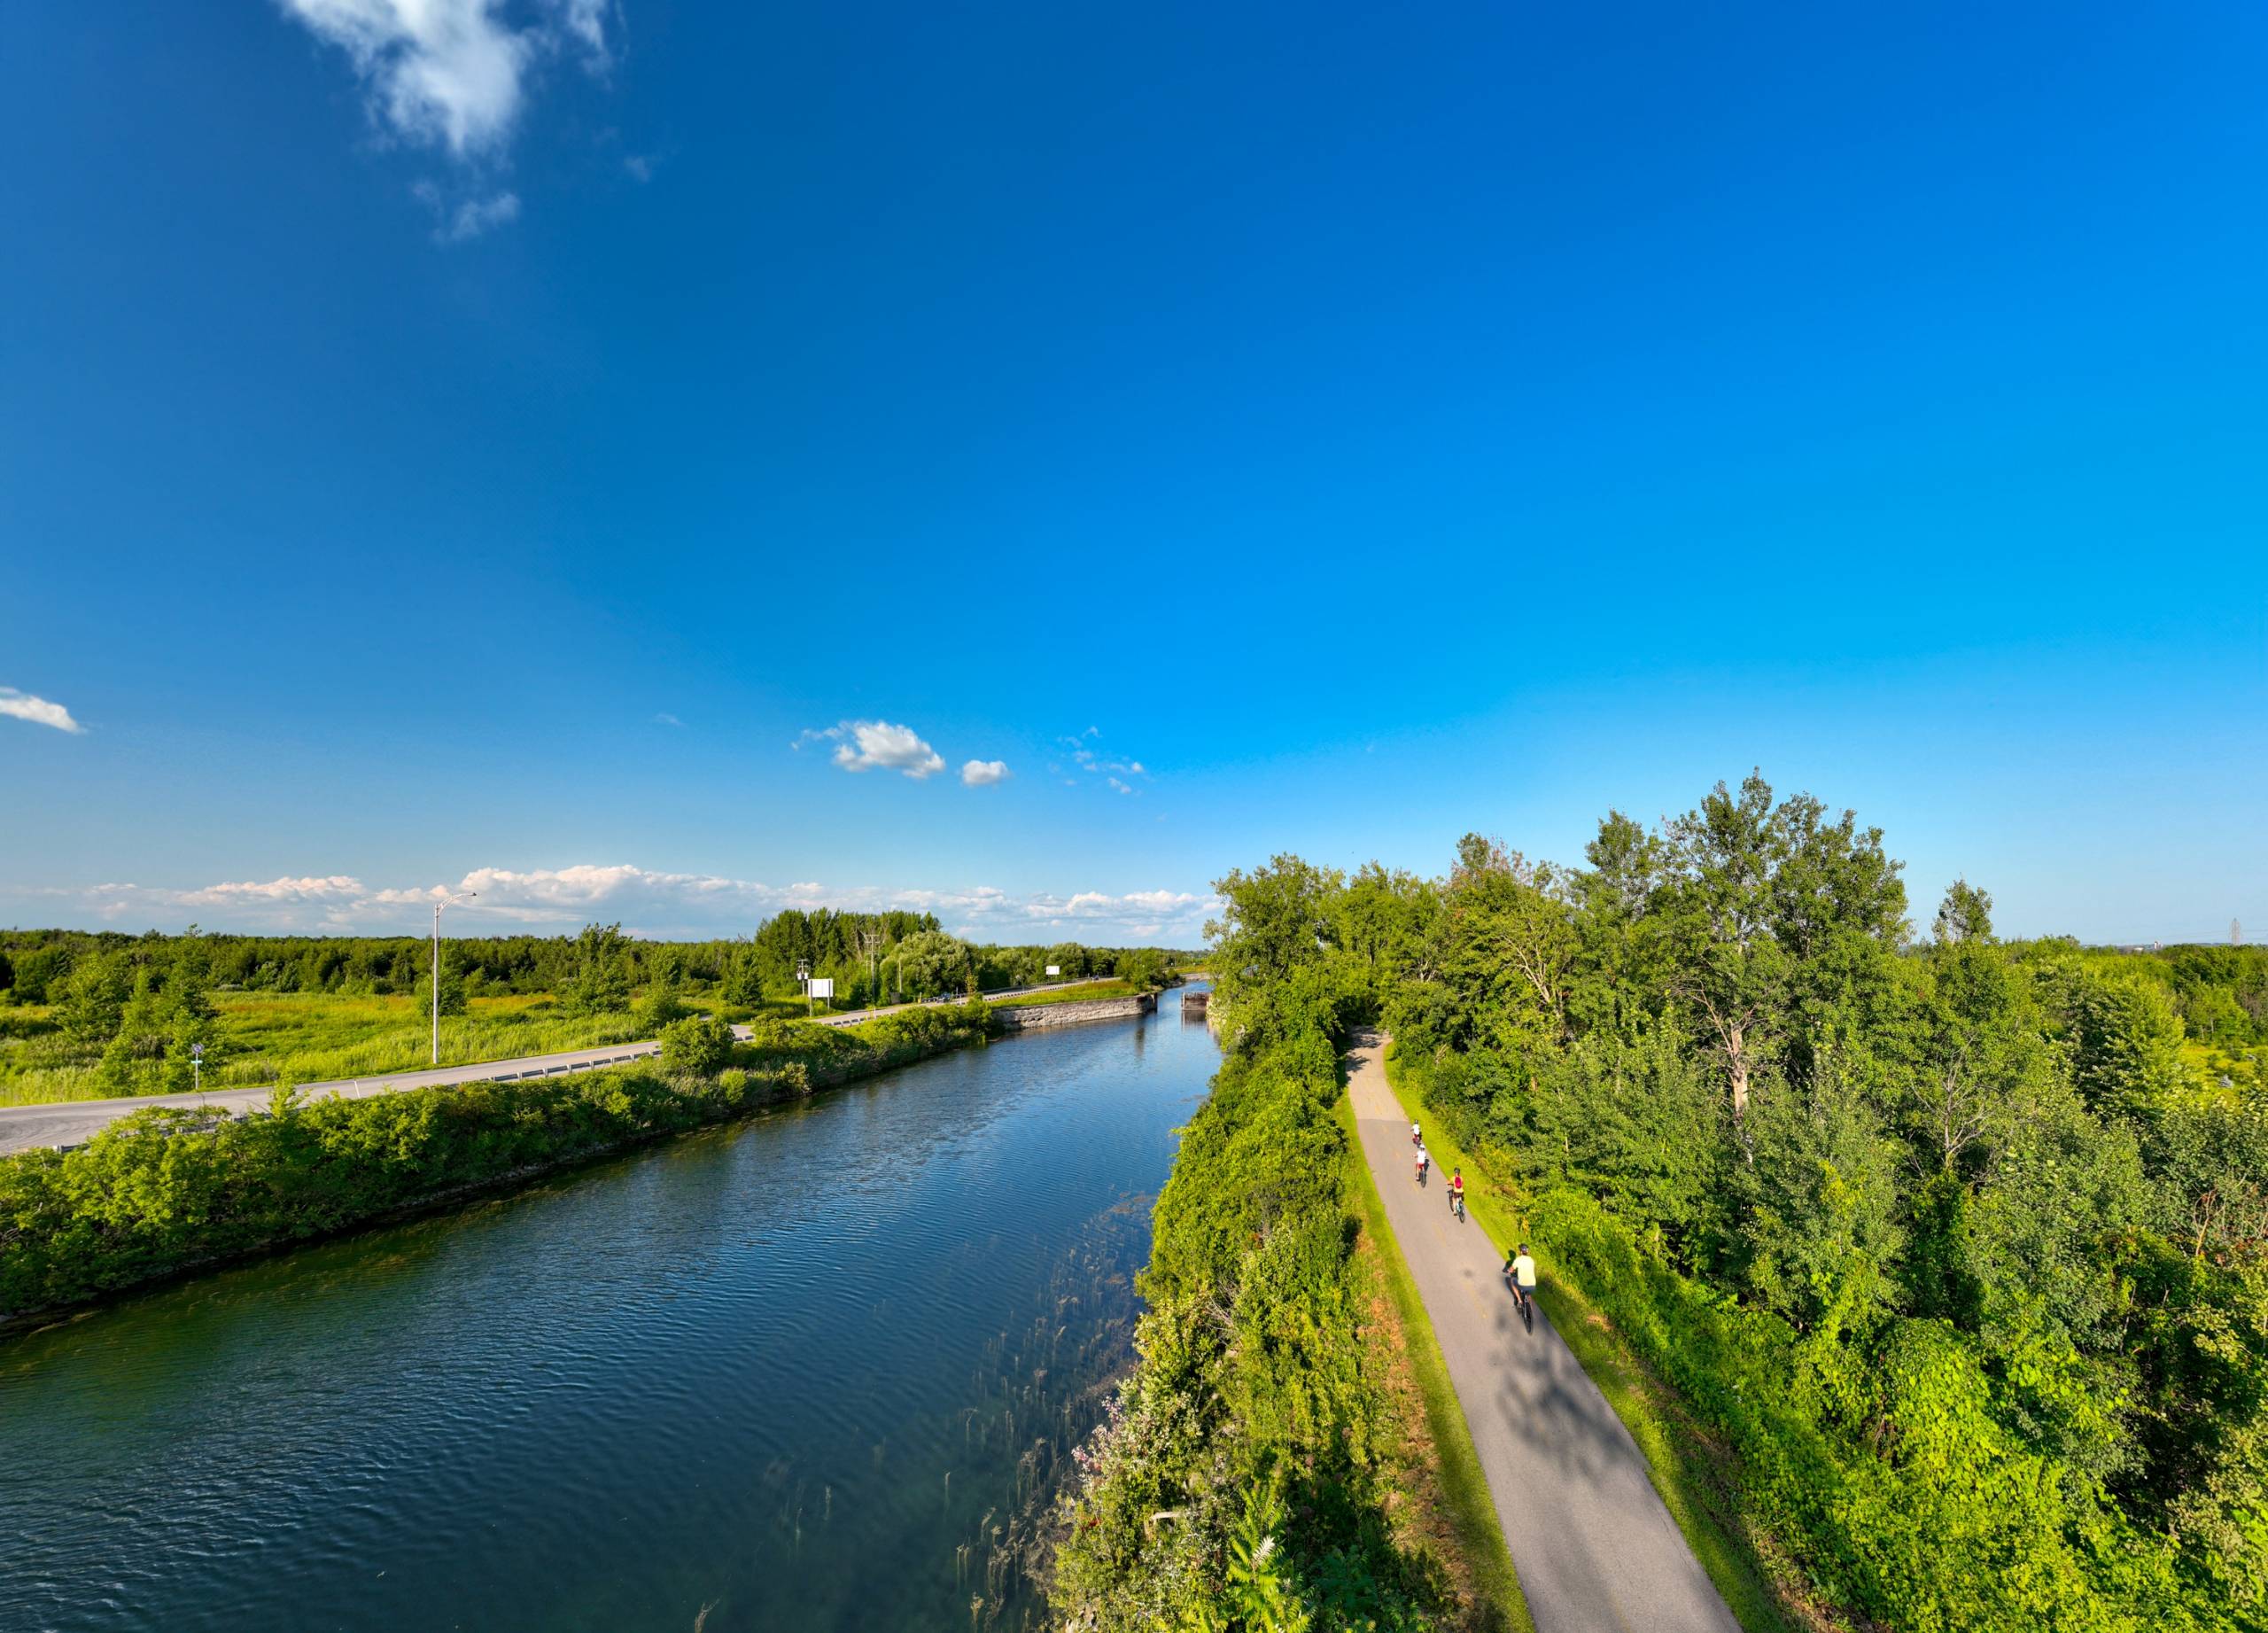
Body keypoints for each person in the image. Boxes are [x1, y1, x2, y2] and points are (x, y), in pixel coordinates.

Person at [1507, 1243, 1537, 1315]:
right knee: (1529, 1295)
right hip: (1532, 1284)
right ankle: (1531, 1310)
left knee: (1512, 1280)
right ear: (1527, 1251)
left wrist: (1509, 1270)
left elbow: (1511, 1269)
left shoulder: (1518, 1260)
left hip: (1523, 1283)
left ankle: (1520, 1301)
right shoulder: (1531, 1260)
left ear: (1520, 1251)